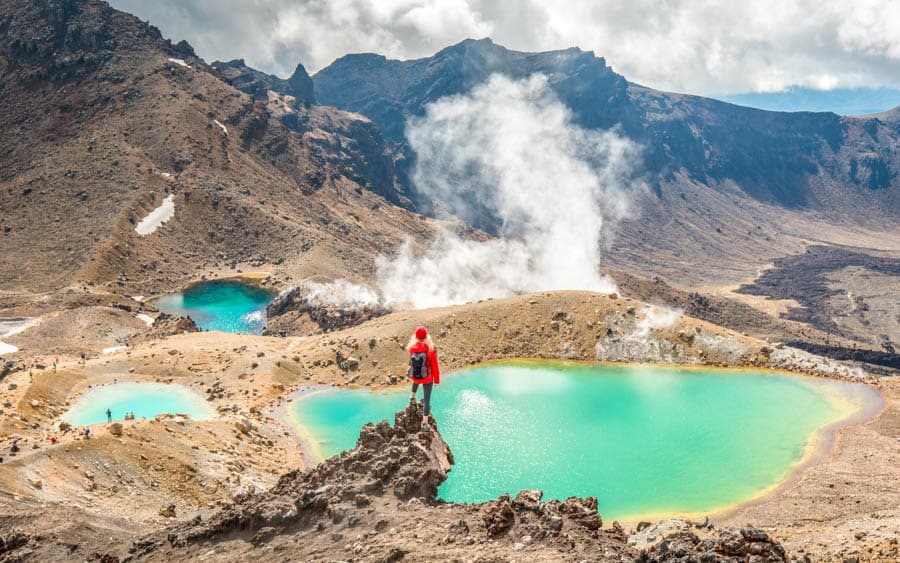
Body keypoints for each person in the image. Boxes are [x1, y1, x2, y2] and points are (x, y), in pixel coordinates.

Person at [407, 325, 440, 429]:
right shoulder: (430, 351)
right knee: (426, 399)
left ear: (416, 337)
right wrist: (437, 381)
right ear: (426, 337)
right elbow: (435, 367)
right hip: (427, 378)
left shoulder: (411, 349)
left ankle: (412, 398)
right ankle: (424, 422)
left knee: (416, 381)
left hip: (416, 376)